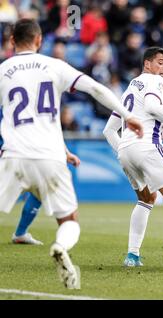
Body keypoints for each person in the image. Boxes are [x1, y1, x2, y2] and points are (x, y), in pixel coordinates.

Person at [0, 19, 143, 289]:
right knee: (69, 221)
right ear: (40, 40)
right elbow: (97, 89)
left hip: (13, 155)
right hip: (50, 157)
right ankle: (60, 246)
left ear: (11, 42)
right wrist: (127, 115)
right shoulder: (54, 65)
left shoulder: (4, 70)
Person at [103, 47, 163, 271]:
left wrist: (123, 152)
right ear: (147, 64)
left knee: (146, 199)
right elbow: (154, 107)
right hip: (147, 145)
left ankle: (132, 255)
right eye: (160, 62)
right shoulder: (155, 82)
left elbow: (108, 130)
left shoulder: (129, 90)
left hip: (125, 150)